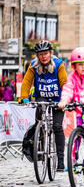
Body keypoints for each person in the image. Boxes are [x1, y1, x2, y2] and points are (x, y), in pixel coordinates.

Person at [19, 40, 68, 171]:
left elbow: (64, 82)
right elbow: (27, 82)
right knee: (38, 123)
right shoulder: (33, 66)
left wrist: (65, 99)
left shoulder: (59, 64)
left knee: (57, 127)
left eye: (46, 53)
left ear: (50, 53)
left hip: (58, 99)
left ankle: (61, 160)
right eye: (40, 54)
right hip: (42, 97)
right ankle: (39, 147)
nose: (43, 56)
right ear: (37, 55)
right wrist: (24, 97)